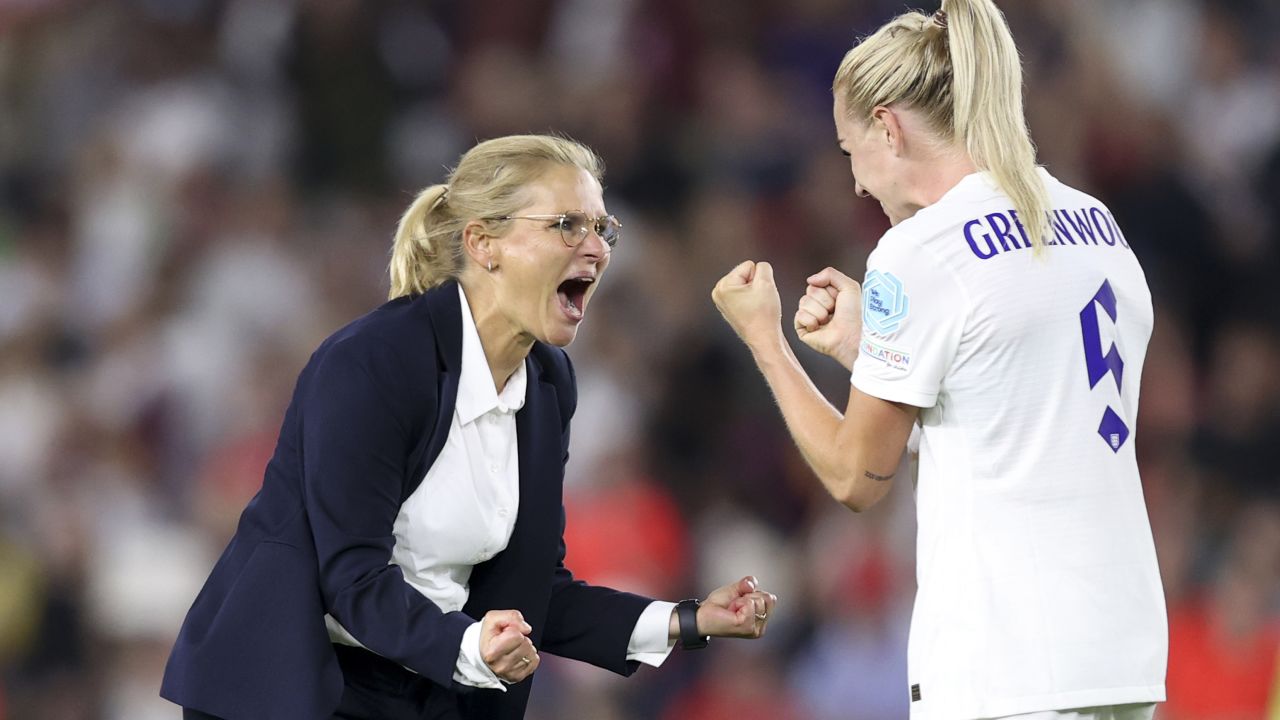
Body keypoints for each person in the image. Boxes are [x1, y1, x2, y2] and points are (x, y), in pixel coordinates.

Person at [161, 134, 778, 720]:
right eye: (567, 224)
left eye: (602, 227)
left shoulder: (548, 382)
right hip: (289, 688)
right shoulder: (372, 361)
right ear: (484, 243)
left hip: (431, 682)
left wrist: (689, 619)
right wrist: (472, 648)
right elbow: (350, 579)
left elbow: (537, 590)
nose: (596, 248)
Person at [711, 2, 1166, 719]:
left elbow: (856, 476)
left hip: (1003, 661)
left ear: (889, 128)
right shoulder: (1095, 221)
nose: (857, 183)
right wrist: (876, 350)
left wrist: (765, 339)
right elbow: (1010, 413)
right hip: (1121, 650)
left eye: (848, 151)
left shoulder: (919, 252)